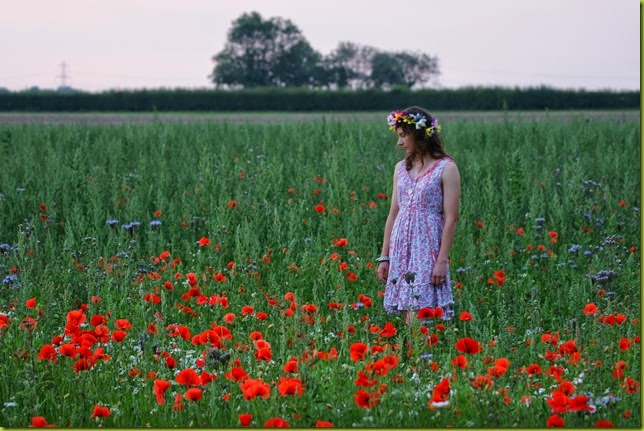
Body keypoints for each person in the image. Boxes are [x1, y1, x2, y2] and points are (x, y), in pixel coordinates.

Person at [376, 106, 461, 326]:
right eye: (399, 136)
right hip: (401, 248)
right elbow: (394, 212)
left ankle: (423, 359)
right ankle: (418, 360)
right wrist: (385, 257)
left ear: (420, 135)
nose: (400, 142)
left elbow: (451, 218)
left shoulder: (446, 168)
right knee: (407, 313)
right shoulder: (400, 169)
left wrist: (442, 261)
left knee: (419, 316)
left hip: (427, 249)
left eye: (404, 136)